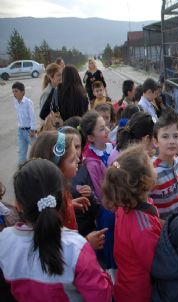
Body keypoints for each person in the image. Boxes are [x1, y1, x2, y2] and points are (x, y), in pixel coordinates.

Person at [0, 158, 112, 301]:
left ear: (18, 205)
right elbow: (102, 296)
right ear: (63, 199)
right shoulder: (75, 246)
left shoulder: (4, 240)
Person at [103, 145, 162, 302]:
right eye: (150, 162)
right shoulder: (143, 226)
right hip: (141, 294)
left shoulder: (124, 208)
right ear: (144, 180)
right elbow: (157, 265)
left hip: (125, 286)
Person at [80, 111, 116, 271]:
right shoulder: (91, 161)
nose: (107, 130)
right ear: (90, 137)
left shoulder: (112, 146)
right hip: (107, 209)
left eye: (106, 126)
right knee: (110, 243)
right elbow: (100, 195)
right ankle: (110, 269)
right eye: (101, 129)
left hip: (118, 202)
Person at [59, 126, 100, 239]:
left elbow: (95, 207)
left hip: (86, 230)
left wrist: (90, 195)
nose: (75, 152)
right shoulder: (54, 181)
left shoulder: (83, 169)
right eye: (70, 147)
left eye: (77, 147)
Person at [149, 110, 178, 220]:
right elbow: (145, 207)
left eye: (176, 136)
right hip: (161, 229)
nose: (172, 141)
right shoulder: (151, 171)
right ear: (155, 141)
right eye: (165, 137)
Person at [12, 81, 37, 165]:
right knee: (21, 152)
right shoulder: (16, 102)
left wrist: (33, 129)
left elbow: (32, 116)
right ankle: (21, 171)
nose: (14, 94)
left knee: (35, 150)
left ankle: (40, 167)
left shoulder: (28, 102)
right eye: (13, 91)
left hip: (29, 131)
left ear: (22, 92)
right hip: (21, 131)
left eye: (16, 91)